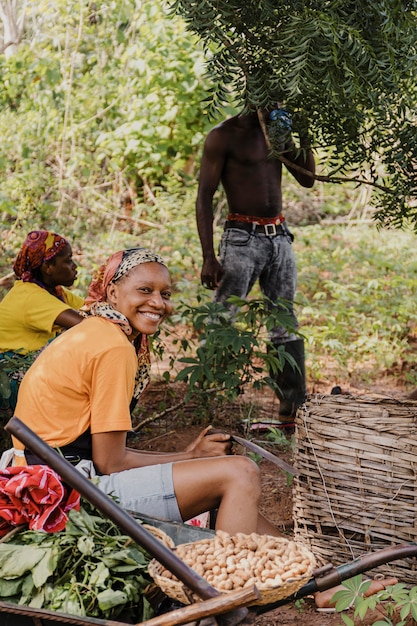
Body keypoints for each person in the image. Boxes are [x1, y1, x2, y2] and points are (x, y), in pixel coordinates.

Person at [12, 247, 280, 537]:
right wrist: (190, 458)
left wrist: (191, 456)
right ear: (112, 293)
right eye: (144, 290)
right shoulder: (113, 347)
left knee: (222, 483)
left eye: (165, 294)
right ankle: (228, 578)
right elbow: (111, 463)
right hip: (63, 493)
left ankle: (309, 572)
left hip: (42, 477)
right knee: (240, 472)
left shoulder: (95, 331)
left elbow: (103, 453)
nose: (157, 303)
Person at [196, 105, 316, 425]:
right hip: (241, 237)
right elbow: (204, 195)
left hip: (279, 235)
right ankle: (204, 400)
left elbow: (307, 179)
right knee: (223, 316)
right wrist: (209, 255)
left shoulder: (277, 132)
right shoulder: (223, 136)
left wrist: (301, 131)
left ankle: (292, 406)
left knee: (284, 320)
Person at [0, 230, 85, 409]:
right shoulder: (30, 296)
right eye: (68, 260)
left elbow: (90, 310)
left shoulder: (54, 292)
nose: (74, 266)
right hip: (10, 377)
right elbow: (87, 324)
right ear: (48, 267)